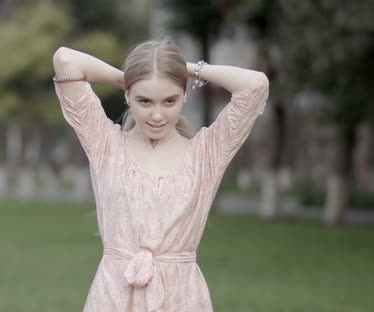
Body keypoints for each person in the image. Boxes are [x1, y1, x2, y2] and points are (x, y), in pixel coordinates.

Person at [52, 40, 269, 312]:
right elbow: (65, 60)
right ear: (128, 96)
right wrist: (131, 78)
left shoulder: (207, 152)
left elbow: (255, 85)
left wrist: (184, 70)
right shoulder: (105, 144)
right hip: (113, 296)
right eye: (145, 100)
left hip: (182, 298)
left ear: (184, 95)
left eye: (169, 100)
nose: (157, 115)